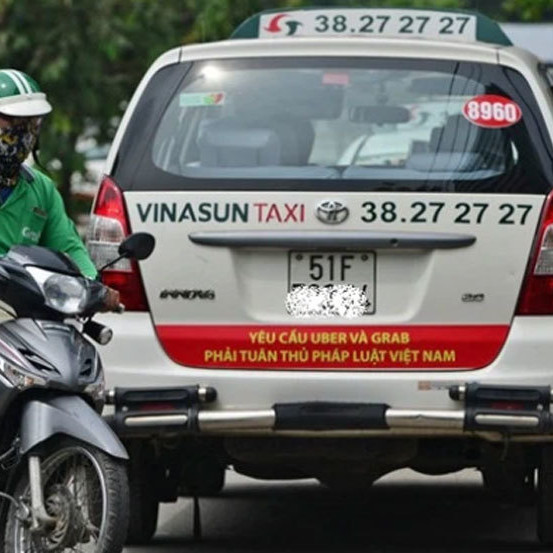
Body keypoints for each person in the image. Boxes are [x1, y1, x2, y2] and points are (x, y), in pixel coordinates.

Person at [0, 68, 119, 310]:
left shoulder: (39, 188)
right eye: (13, 122)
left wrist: (93, 287)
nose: (24, 133)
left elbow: (67, 247)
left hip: (19, 313)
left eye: (31, 124)